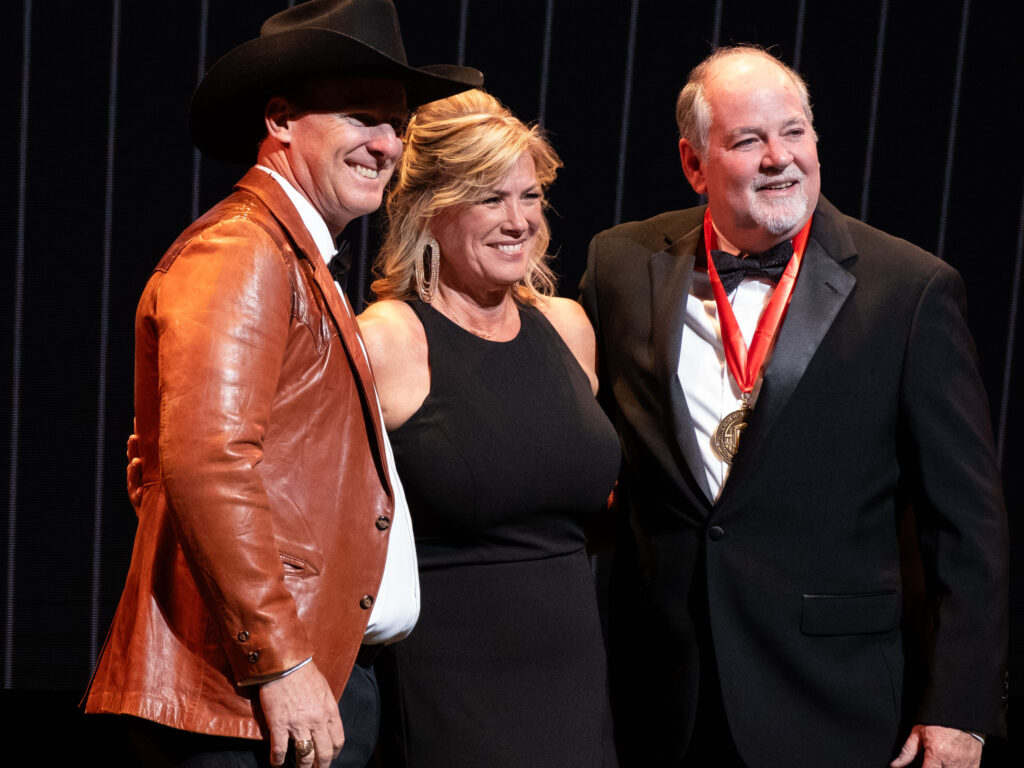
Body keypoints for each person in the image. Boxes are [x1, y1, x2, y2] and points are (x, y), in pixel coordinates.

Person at [581, 46, 1008, 768]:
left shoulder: (910, 290)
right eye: (748, 140)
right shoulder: (619, 264)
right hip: (660, 696)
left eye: (795, 132)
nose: (780, 158)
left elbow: (966, 523)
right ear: (694, 165)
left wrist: (960, 710)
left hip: (832, 700)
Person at [83, 2, 480, 767]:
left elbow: (163, 464)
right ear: (282, 120)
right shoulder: (244, 250)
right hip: (250, 699)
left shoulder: (298, 257)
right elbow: (204, 463)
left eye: (398, 125)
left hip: (284, 687)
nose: (388, 144)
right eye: (363, 117)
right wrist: (280, 659)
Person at [356, 89, 622, 767]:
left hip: (576, 683)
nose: (518, 221)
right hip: (448, 687)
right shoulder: (387, 339)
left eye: (529, 197)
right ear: (428, 211)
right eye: (489, 198)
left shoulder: (568, 327)